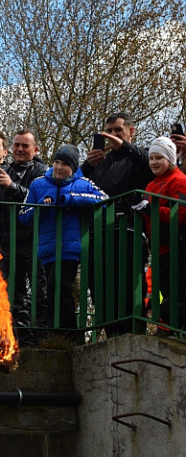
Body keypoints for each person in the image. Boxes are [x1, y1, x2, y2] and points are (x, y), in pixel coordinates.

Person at [19, 145, 106, 342]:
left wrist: (71, 199)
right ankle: (61, 333)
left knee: (58, 285)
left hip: (71, 246)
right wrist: (42, 207)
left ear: (73, 168)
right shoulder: (38, 184)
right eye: (57, 162)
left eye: (65, 164)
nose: (59, 167)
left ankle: (69, 335)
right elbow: (23, 215)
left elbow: (104, 198)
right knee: (52, 289)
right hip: (46, 247)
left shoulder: (83, 182)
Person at [0, 130, 48, 344]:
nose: (20, 150)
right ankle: (20, 338)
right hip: (8, 239)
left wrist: (11, 186)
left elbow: (41, 199)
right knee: (12, 291)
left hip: (33, 239)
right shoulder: (7, 169)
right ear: (11, 149)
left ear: (35, 149)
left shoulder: (41, 171)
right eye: (17, 145)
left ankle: (42, 337)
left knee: (39, 290)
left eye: (25, 146)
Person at [81, 112, 153, 335]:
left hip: (129, 230)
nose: (112, 136)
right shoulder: (102, 163)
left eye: (118, 131)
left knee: (129, 284)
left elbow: (148, 166)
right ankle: (109, 331)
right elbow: (79, 186)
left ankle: (133, 330)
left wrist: (124, 147)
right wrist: (87, 166)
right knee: (100, 285)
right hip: (99, 232)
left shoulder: (141, 157)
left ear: (131, 132)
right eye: (109, 132)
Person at [138, 136, 186, 329]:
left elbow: (181, 213)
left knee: (179, 294)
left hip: (178, 247)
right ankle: (167, 329)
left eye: (159, 158)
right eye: (151, 158)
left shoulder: (180, 180)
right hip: (159, 249)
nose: (154, 162)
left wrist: (150, 209)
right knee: (166, 293)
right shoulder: (151, 185)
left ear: (170, 158)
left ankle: (177, 332)